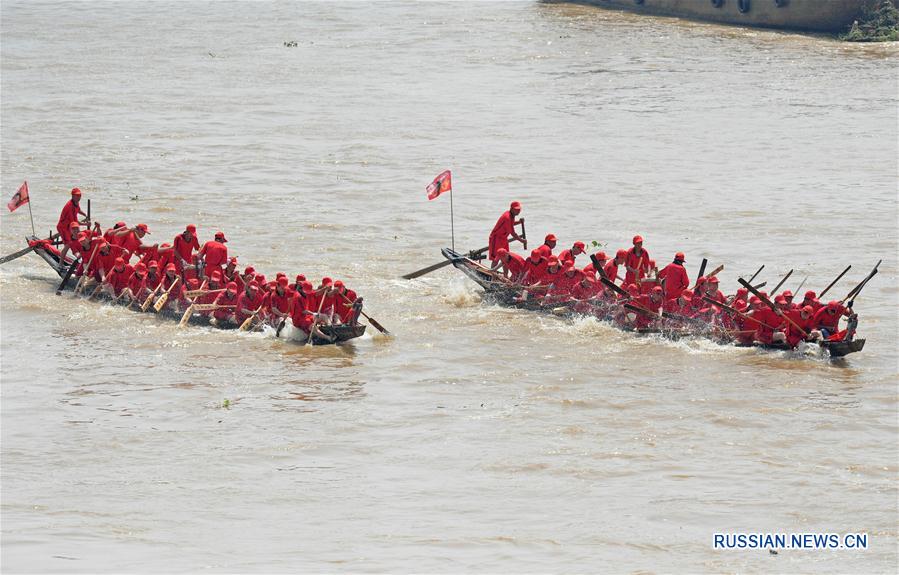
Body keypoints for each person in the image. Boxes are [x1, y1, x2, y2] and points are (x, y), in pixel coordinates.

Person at [488, 201, 526, 266]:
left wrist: (519, 222)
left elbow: (510, 224)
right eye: (516, 210)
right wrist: (522, 240)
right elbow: (513, 233)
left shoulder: (512, 216)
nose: (518, 211)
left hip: (504, 238)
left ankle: (505, 275)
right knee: (495, 258)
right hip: (496, 238)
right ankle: (492, 274)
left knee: (506, 258)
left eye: (519, 210)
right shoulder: (507, 217)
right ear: (511, 209)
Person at [56, 188, 89, 260]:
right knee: (68, 245)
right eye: (77, 196)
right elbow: (74, 223)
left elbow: (78, 209)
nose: (79, 197)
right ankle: (61, 263)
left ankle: (81, 257)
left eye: (80, 195)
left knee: (77, 240)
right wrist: (86, 224)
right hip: (63, 228)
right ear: (72, 196)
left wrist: (85, 214)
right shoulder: (69, 206)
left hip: (69, 227)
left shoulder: (76, 203)